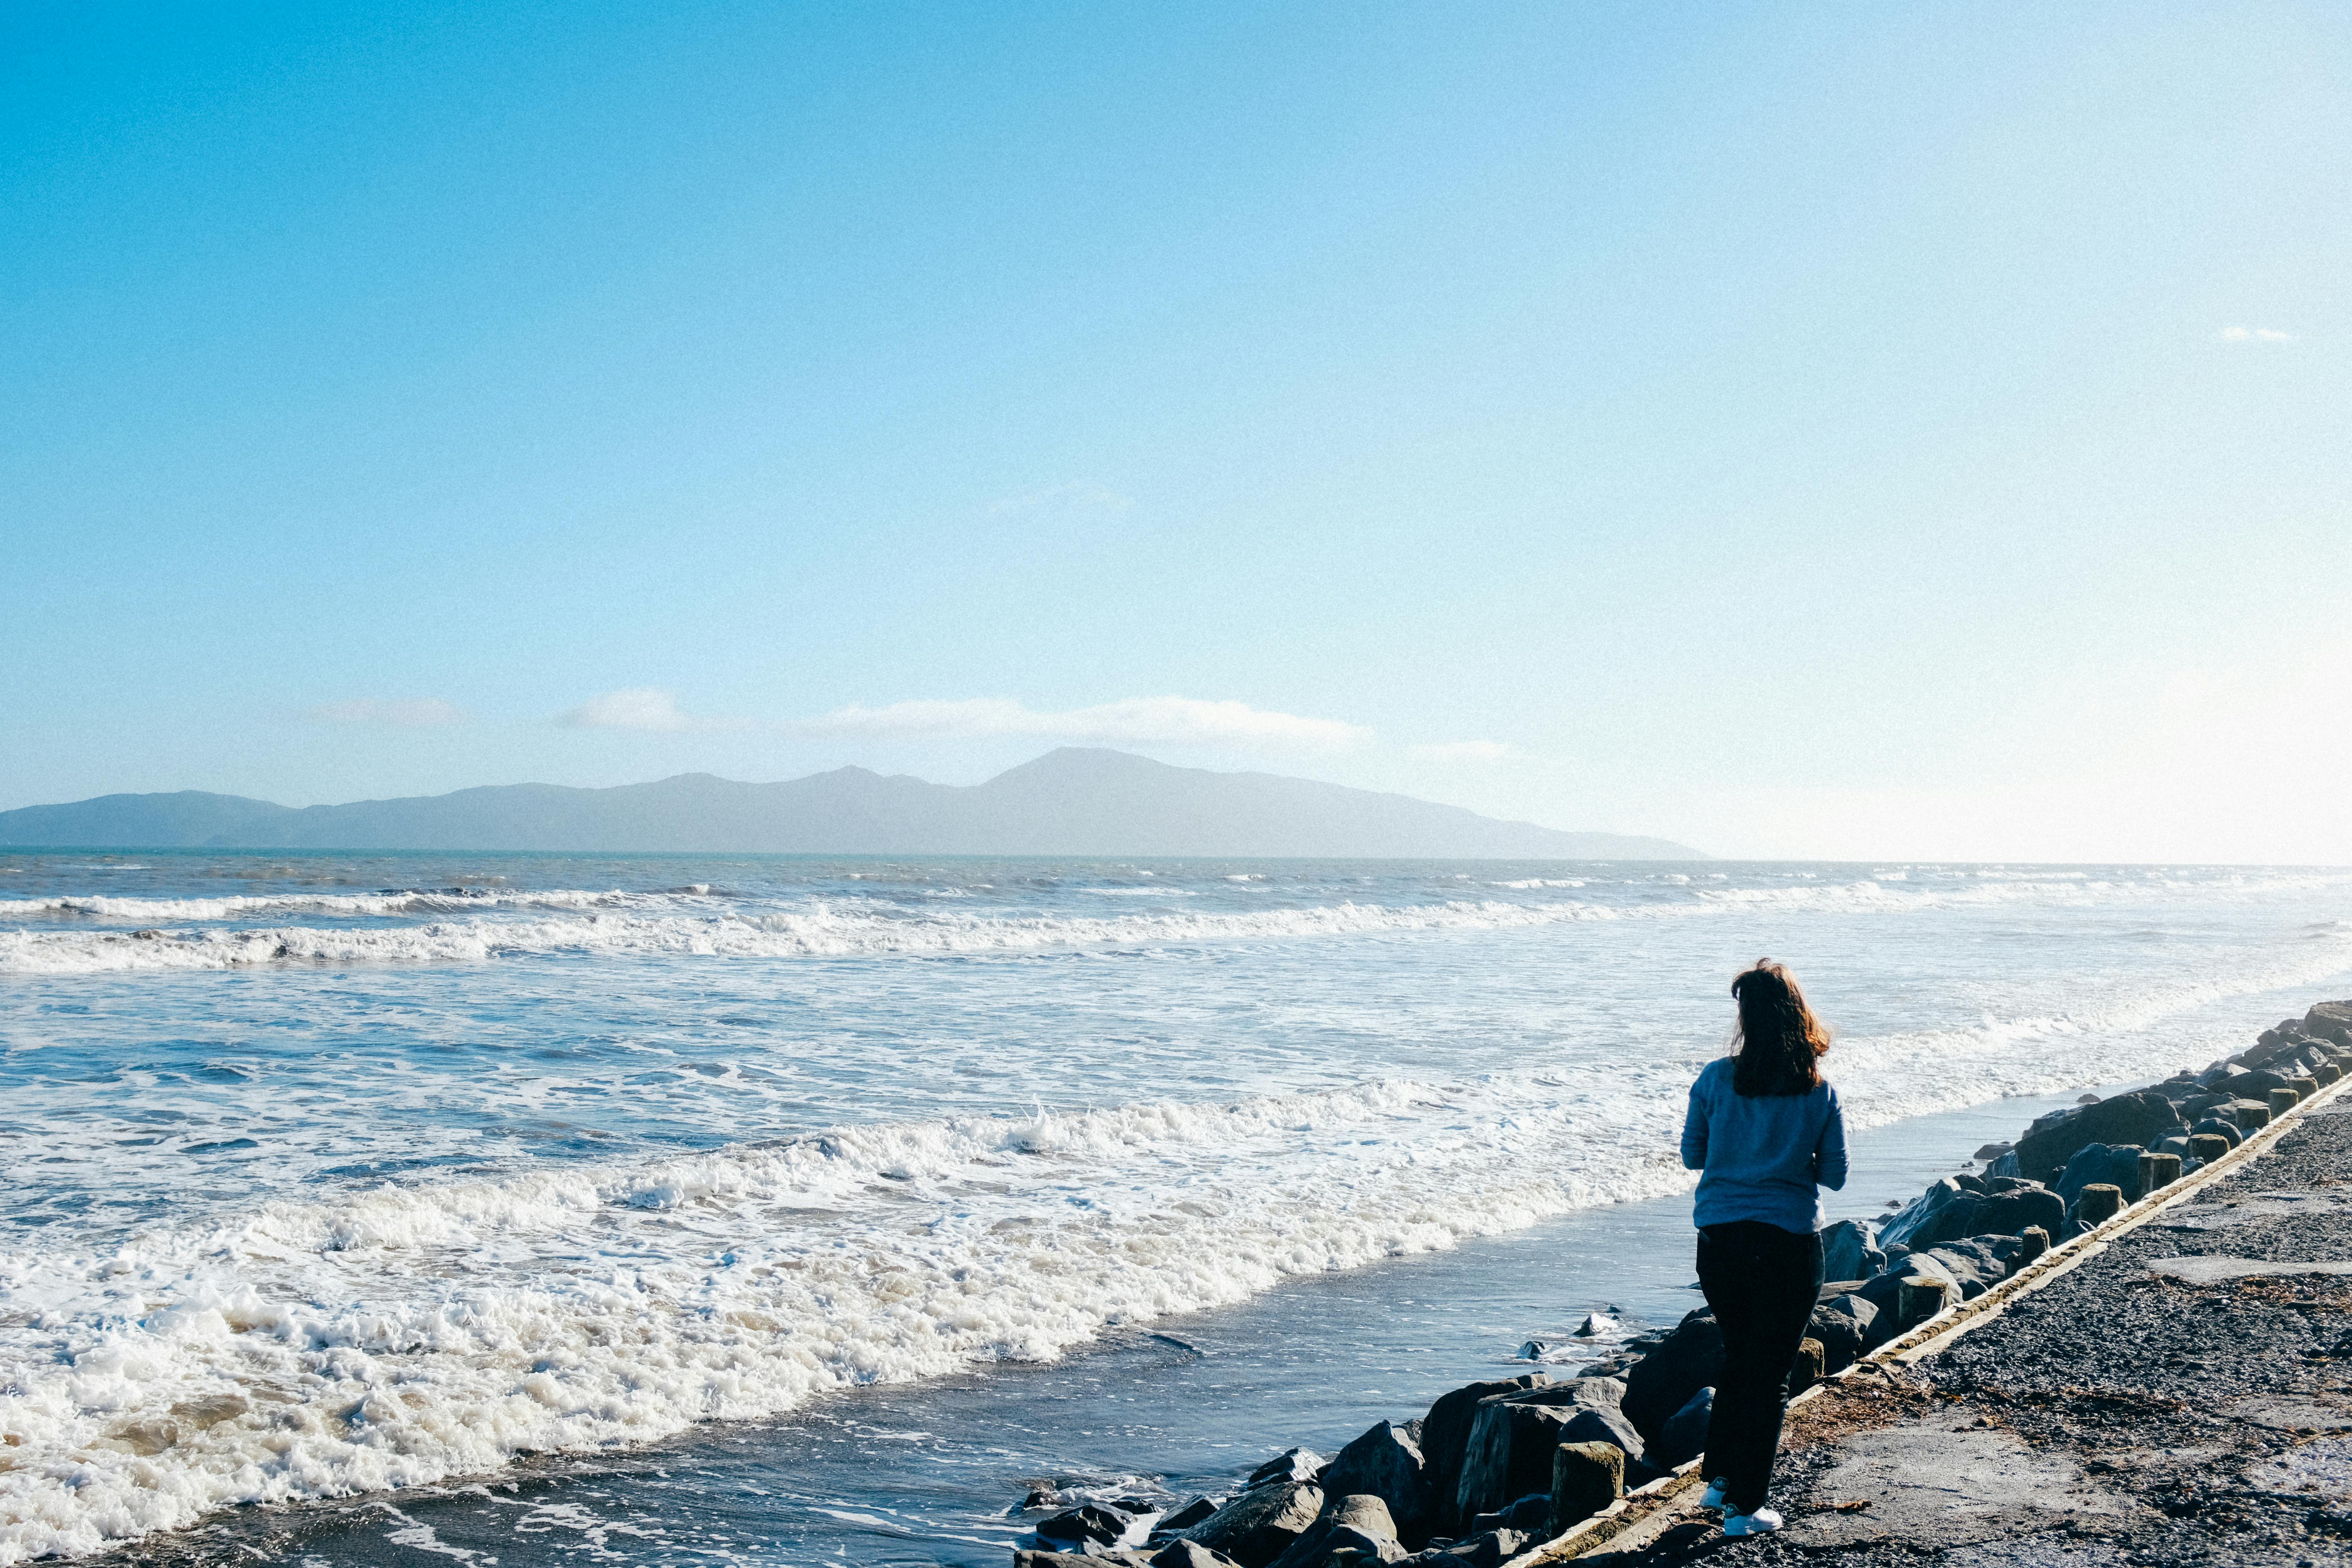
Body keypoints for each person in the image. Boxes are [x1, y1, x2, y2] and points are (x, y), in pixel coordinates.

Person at [1678, 958, 1849, 1537]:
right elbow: (1837, 1177)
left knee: (1739, 1360)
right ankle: (1745, 1510)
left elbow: (1693, 1156)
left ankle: (1720, 1482)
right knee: (1768, 1374)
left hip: (1721, 1238)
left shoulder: (1713, 1079)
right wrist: (1788, 1154)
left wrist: (1741, 1147)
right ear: (1799, 1016)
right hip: (1788, 1241)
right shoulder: (1819, 1091)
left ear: (1746, 1018)